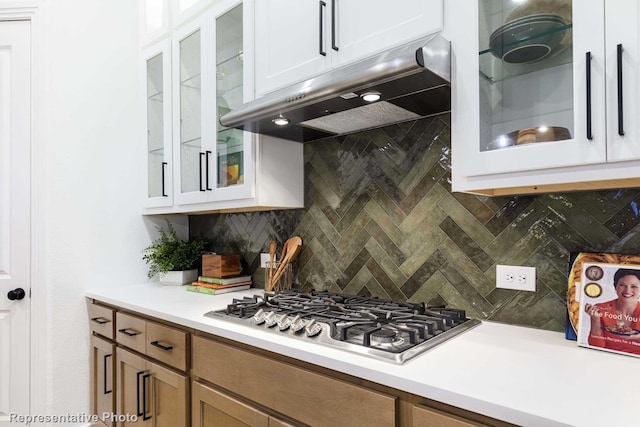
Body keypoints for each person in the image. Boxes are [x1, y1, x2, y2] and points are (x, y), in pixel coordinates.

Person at [584, 268, 640, 354]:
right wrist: (595, 319)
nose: (627, 291)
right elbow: (596, 347)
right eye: (622, 285)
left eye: (634, 286)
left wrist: (637, 337)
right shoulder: (601, 309)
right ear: (615, 286)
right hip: (606, 358)